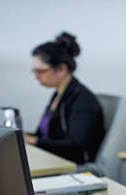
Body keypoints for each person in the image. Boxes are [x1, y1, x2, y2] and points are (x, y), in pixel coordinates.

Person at [24, 32, 105, 164]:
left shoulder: (82, 100)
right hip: (53, 159)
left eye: (40, 71)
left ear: (61, 68)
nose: (36, 76)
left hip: (72, 167)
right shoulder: (58, 95)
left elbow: (77, 147)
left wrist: (34, 141)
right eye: (34, 72)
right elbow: (43, 135)